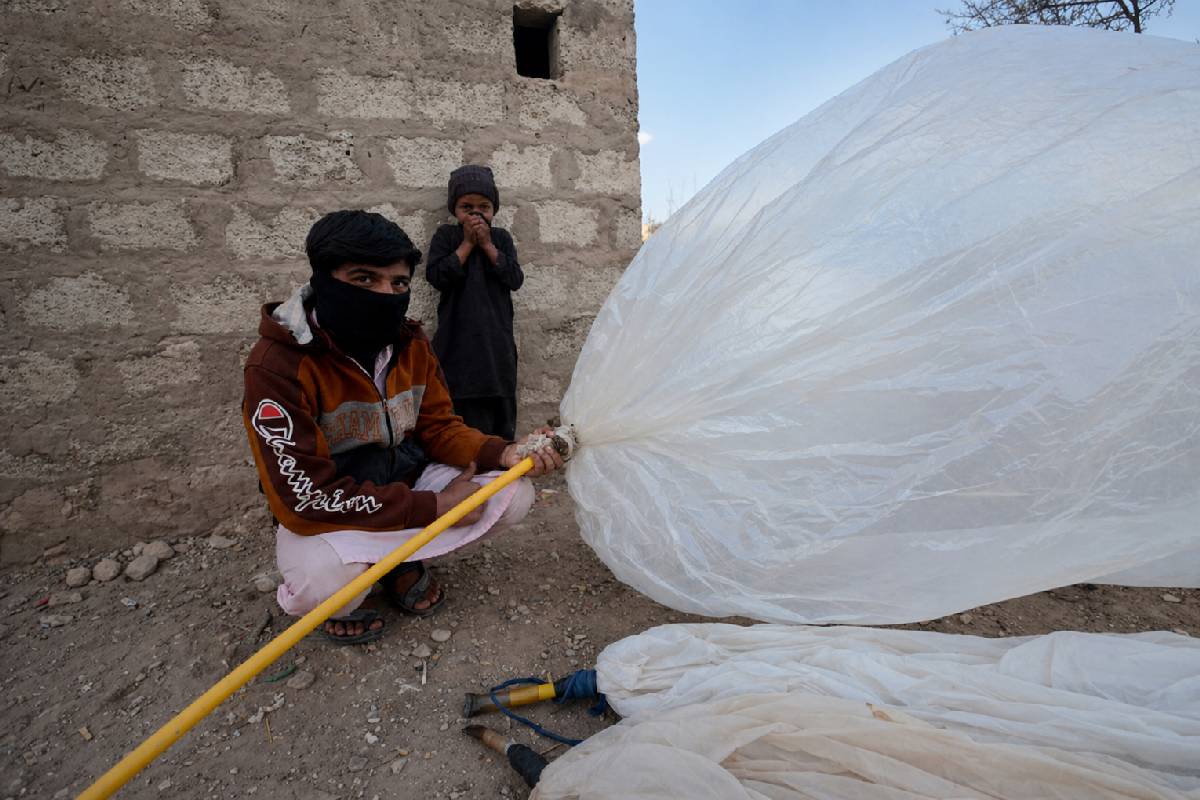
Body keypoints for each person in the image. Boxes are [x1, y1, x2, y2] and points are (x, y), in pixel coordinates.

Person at [242, 210, 562, 645]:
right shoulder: (278, 363)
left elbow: (438, 427)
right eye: (364, 279)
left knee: (512, 496)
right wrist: (436, 508)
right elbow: (304, 497)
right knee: (323, 590)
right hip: (335, 505)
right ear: (323, 279)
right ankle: (373, 567)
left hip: (405, 479)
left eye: (398, 283)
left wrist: (502, 453)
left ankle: (396, 560)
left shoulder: (409, 343)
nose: (385, 294)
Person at [425, 165, 523, 440]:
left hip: (497, 346)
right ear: (454, 210)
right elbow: (437, 276)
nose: (476, 214)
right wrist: (468, 244)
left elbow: (515, 278)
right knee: (461, 413)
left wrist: (488, 246)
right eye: (467, 207)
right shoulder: (447, 237)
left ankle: (501, 468)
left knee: (499, 416)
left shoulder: (501, 238)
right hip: (458, 345)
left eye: (484, 207)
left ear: (494, 210)